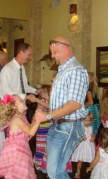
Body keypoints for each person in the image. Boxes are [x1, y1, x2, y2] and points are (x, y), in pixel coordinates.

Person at [34, 36, 89, 178]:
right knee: (53, 171)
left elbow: (75, 104)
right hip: (58, 124)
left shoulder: (76, 70)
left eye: (54, 52)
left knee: (54, 171)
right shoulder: (62, 70)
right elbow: (63, 100)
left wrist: (46, 115)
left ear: (65, 48)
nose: (52, 56)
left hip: (68, 126)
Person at [0, 94, 41, 179]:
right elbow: (31, 132)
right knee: (17, 174)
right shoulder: (16, 119)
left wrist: (34, 121)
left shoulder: (22, 117)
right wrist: (39, 120)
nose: (24, 102)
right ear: (15, 107)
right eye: (21, 101)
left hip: (21, 149)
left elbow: (29, 133)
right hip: (16, 151)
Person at [71, 112, 95, 179]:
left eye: (89, 121)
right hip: (81, 146)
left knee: (91, 159)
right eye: (86, 120)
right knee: (80, 160)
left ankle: (92, 171)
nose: (87, 122)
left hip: (89, 146)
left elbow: (92, 135)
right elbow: (76, 136)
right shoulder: (80, 128)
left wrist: (93, 138)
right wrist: (81, 138)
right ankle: (78, 172)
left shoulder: (91, 128)